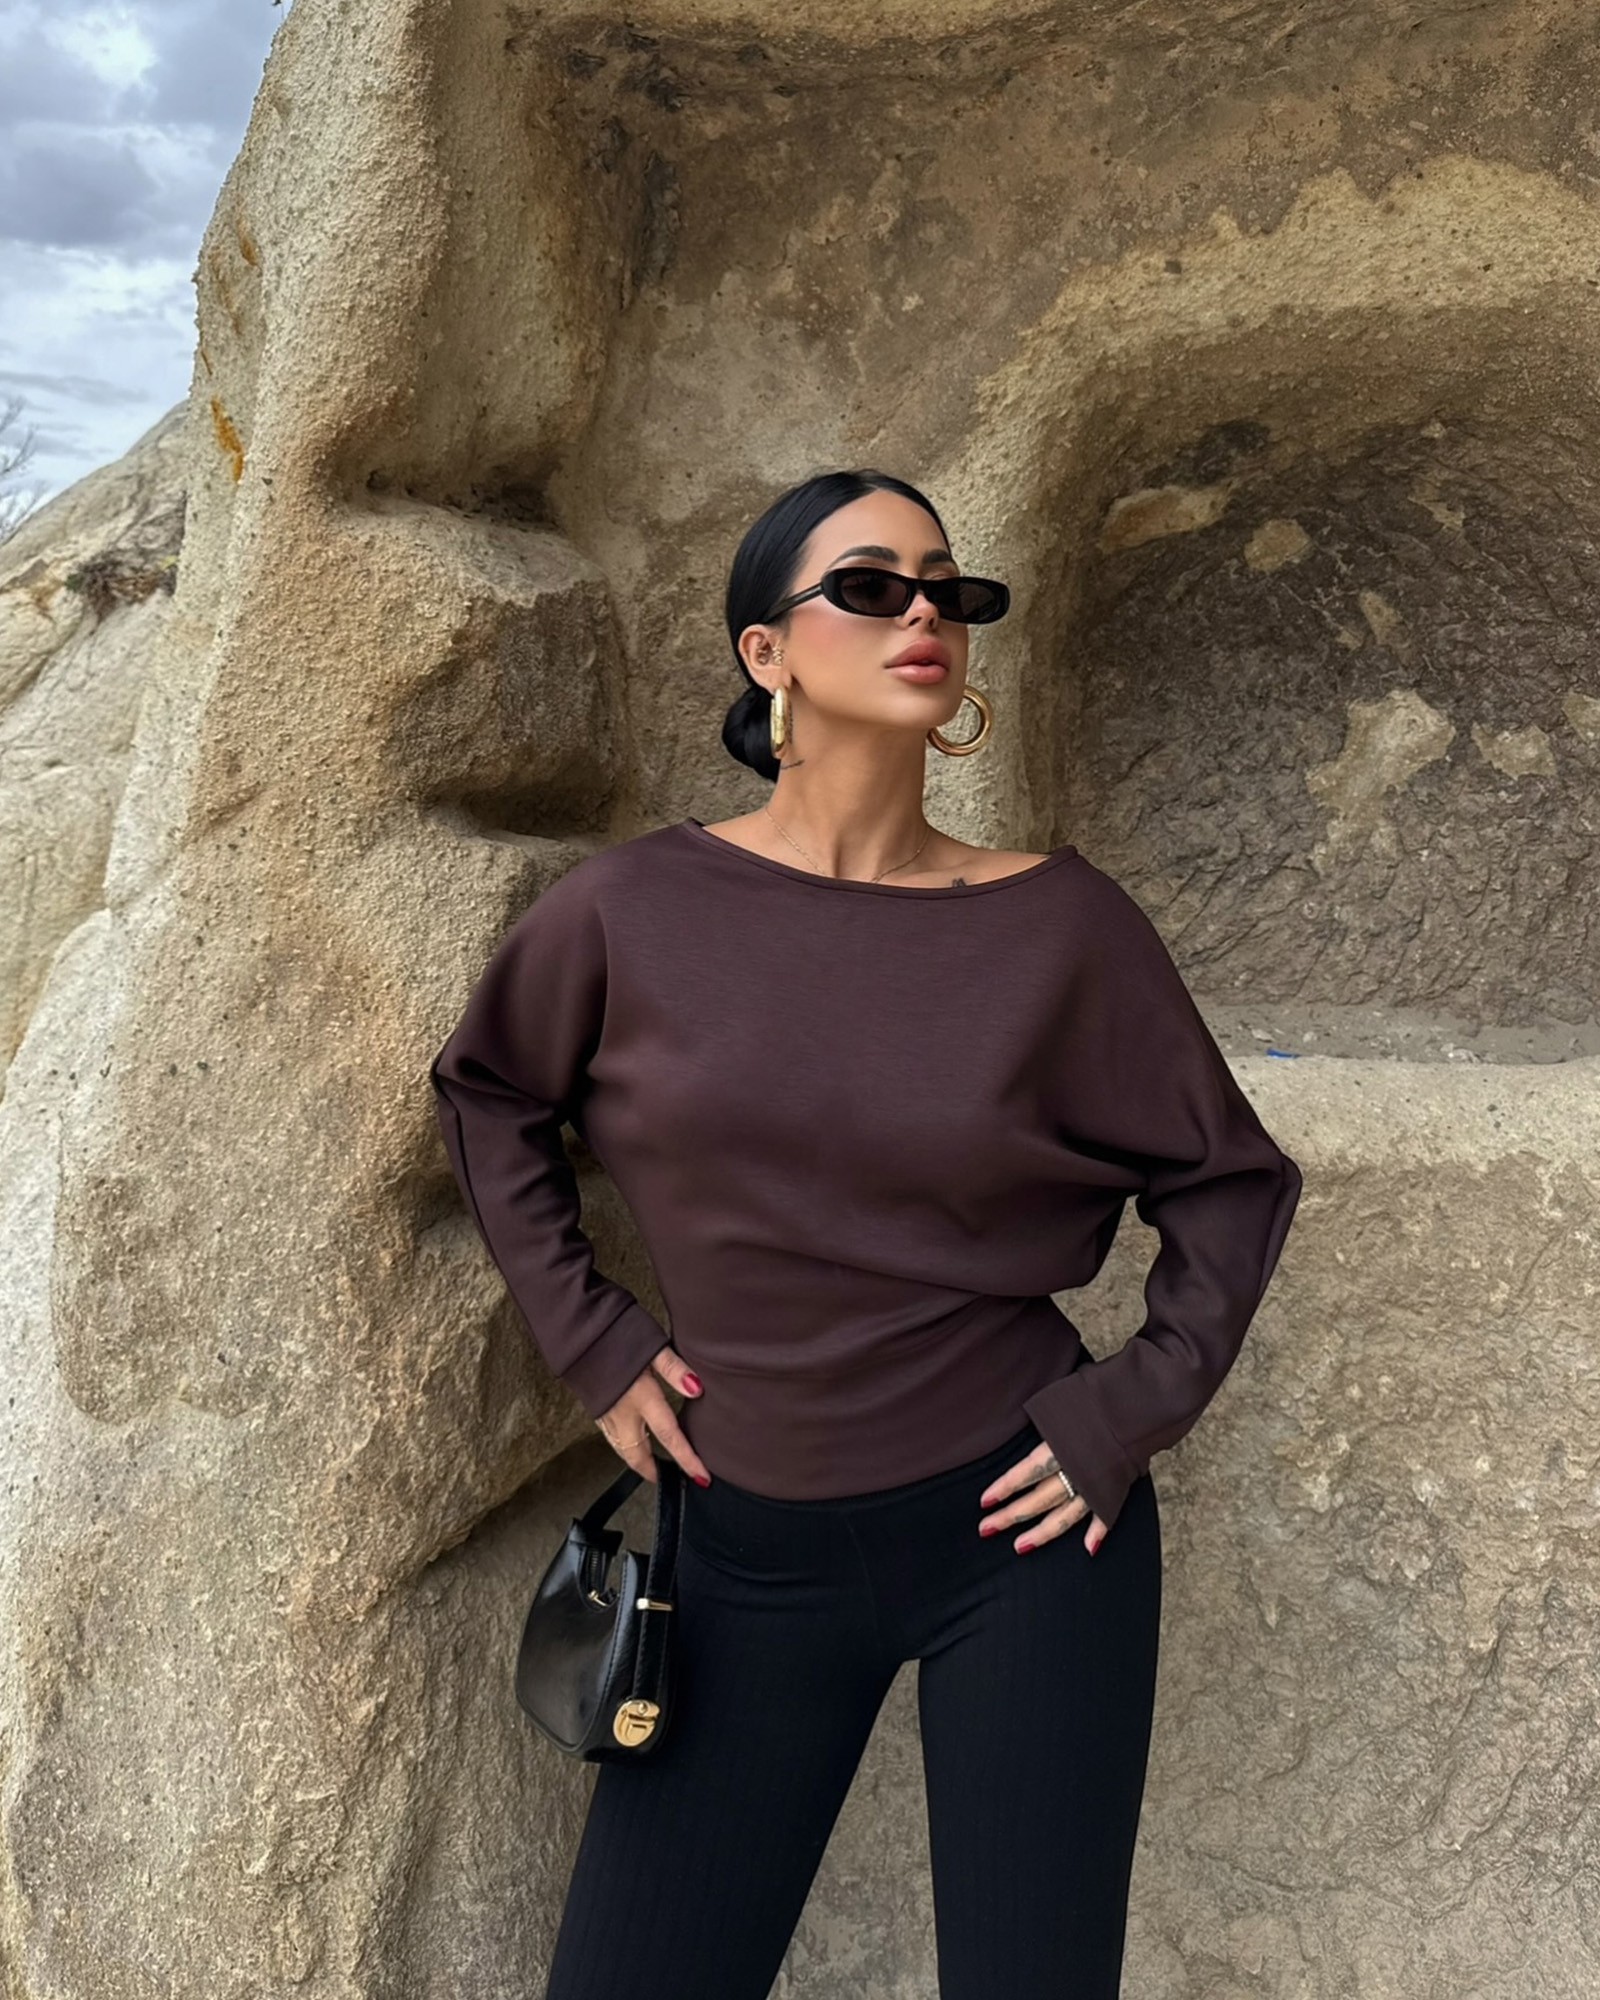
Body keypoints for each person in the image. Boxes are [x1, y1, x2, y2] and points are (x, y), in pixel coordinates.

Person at [429, 468, 1303, 2000]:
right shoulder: (630, 912)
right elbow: (488, 1094)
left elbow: (1230, 1182)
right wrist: (591, 1336)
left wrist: (1124, 1412)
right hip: (740, 1548)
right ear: (764, 650)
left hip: (1023, 1542)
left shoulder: (1062, 928)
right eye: (872, 585)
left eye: (947, 589)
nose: (924, 614)